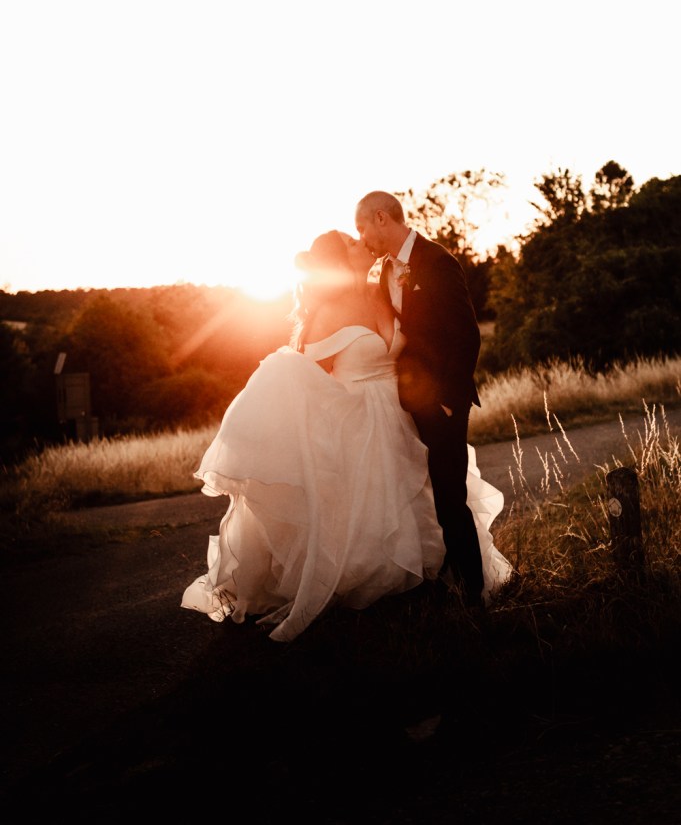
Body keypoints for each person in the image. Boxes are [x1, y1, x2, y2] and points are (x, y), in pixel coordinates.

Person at [181, 229, 510, 641]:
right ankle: (370, 588)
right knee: (368, 508)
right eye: (353, 243)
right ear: (340, 261)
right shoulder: (326, 311)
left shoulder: (379, 292)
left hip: (403, 414)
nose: (362, 244)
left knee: (423, 497)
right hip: (358, 421)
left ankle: (436, 580)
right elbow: (306, 377)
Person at [355, 191, 487, 607]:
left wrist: (449, 398)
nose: (362, 238)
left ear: (381, 218)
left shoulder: (437, 260)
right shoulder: (382, 272)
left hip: (445, 401)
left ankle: (474, 594)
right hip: (409, 400)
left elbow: (466, 334)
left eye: (362, 228)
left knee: (450, 496)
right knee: (424, 494)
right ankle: (443, 578)